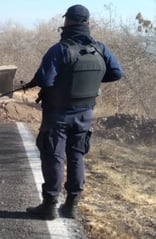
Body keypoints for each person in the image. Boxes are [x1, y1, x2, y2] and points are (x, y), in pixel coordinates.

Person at [25, 4, 123, 220]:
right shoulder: (100, 49)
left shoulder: (59, 50)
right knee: (77, 156)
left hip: (58, 114)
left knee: (54, 156)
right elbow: (116, 72)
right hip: (85, 113)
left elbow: (46, 80)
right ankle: (71, 206)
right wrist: (93, 79)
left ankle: (50, 206)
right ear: (87, 23)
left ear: (67, 21)